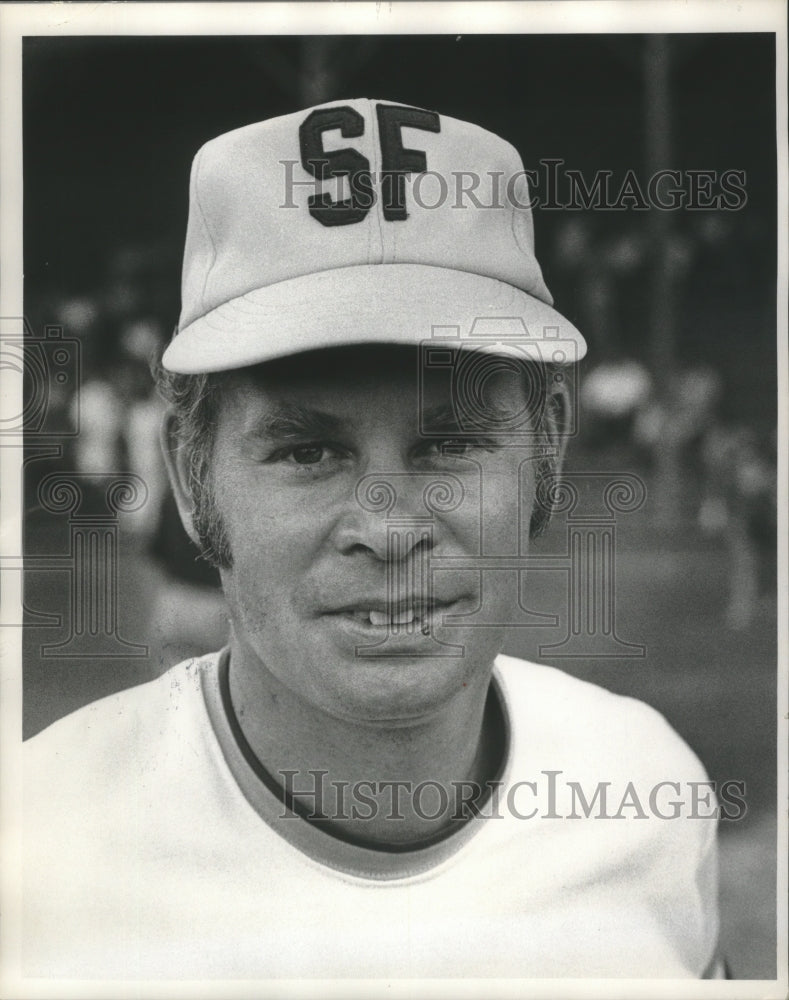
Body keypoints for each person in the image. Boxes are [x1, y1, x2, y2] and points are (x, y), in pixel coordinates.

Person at [24, 97, 722, 981]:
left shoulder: (648, 791)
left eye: (452, 442)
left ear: (548, 443)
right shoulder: (34, 850)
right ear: (193, 478)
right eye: (306, 450)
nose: (388, 528)